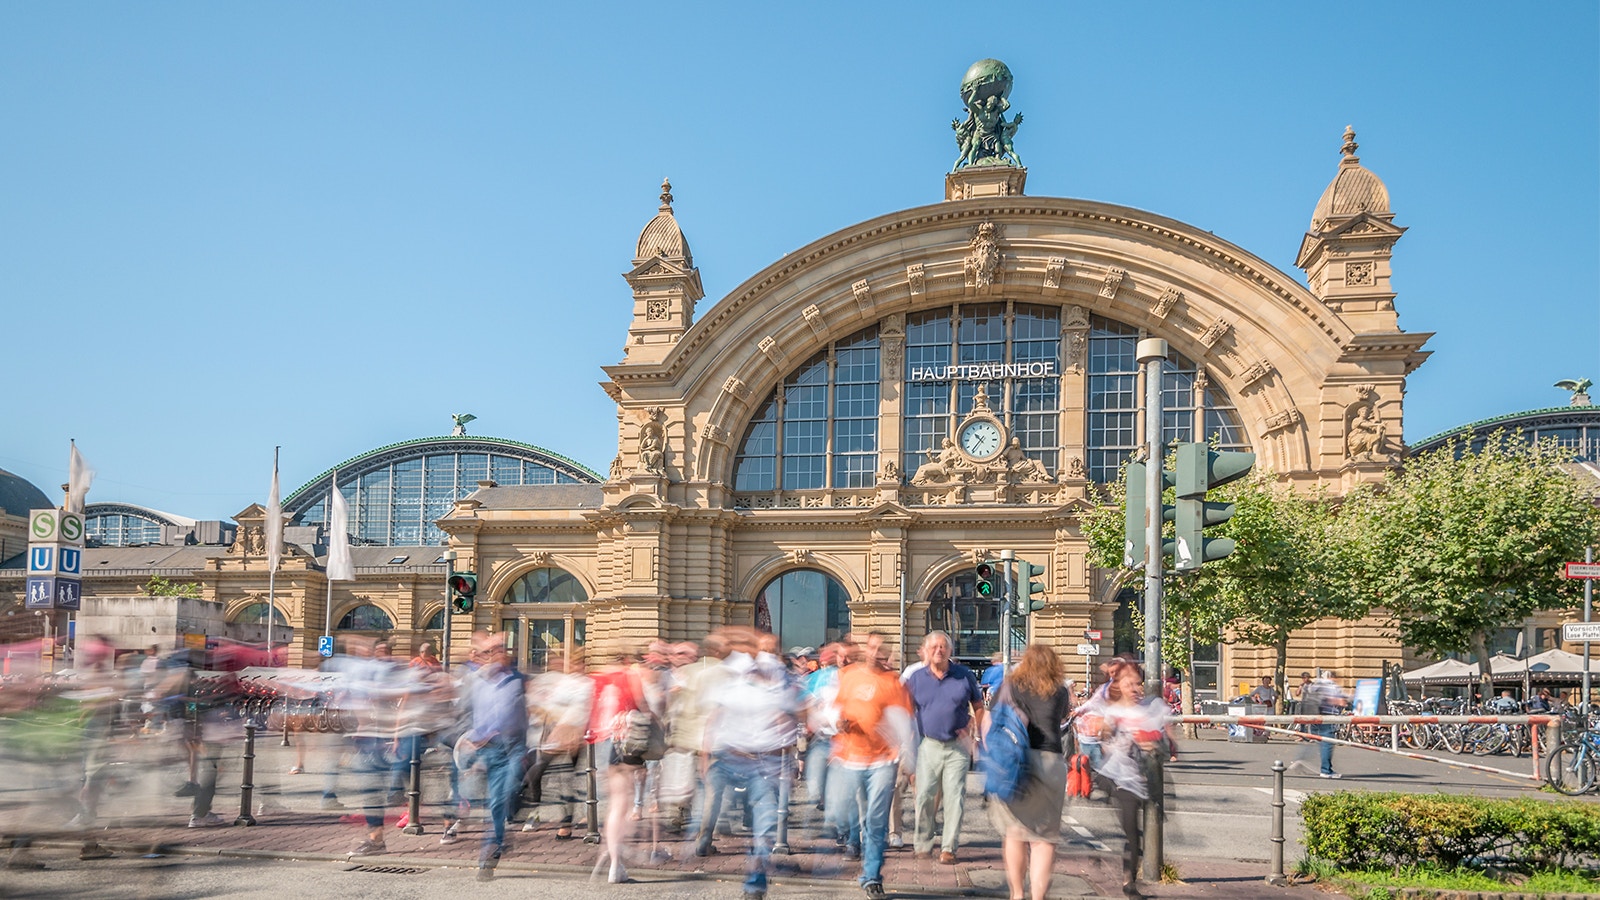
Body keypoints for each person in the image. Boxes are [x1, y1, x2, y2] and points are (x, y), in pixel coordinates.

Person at [702, 627, 804, 900]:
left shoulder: (783, 678)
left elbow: (795, 712)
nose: (768, 655)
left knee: (765, 825)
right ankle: (702, 841)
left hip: (767, 763)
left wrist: (792, 752)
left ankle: (755, 881)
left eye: (772, 650)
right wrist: (706, 750)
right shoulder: (738, 671)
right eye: (764, 649)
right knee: (719, 806)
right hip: (733, 757)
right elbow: (718, 711)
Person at [829, 631, 912, 900]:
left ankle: (872, 877)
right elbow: (837, 709)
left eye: (881, 649)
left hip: (882, 760)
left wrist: (909, 759)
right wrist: (839, 724)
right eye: (873, 647)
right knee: (847, 812)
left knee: (876, 822)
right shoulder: (850, 676)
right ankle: (854, 844)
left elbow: (905, 723)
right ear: (867, 649)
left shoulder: (894, 683)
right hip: (851, 757)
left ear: (887, 653)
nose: (876, 653)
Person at [988, 643, 1074, 900]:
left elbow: (995, 717)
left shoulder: (1012, 685)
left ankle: (1017, 894)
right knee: (1044, 838)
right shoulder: (1060, 691)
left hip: (1016, 762)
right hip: (1052, 762)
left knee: (1014, 833)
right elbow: (1062, 719)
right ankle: (1038, 897)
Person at [1094, 657, 1173, 900]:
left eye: (1138, 684)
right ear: (1119, 686)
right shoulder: (1114, 711)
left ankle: (1130, 876)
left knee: (1144, 827)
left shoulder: (1154, 707)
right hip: (1117, 777)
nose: (1136, 689)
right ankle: (1130, 884)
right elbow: (1102, 742)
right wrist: (1112, 737)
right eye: (1130, 685)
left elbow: (1167, 745)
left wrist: (1156, 746)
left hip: (1144, 778)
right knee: (1132, 832)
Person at [904, 631, 983, 864]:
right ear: (927, 651)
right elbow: (905, 711)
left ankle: (949, 847)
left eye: (943, 647)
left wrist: (975, 731)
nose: (939, 650)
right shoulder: (916, 679)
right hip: (928, 744)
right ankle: (923, 842)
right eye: (934, 647)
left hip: (957, 746)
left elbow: (978, 706)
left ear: (950, 651)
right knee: (925, 796)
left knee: (954, 797)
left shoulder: (964, 676)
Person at [457, 632, 529, 879]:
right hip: (493, 750)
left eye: (502, 649)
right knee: (497, 802)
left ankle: (516, 809)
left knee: (509, 793)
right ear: (485, 656)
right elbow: (464, 712)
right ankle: (492, 852)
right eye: (492, 650)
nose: (499, 653)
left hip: (516, 746)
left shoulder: (519, 679)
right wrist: (470, 737)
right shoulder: (475, 681)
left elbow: (537, 707)